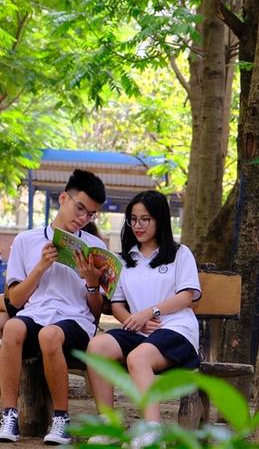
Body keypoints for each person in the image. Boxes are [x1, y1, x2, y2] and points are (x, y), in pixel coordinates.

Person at [0, 169, 109, 445]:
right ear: (63, 198)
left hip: (76, 323)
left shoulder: (95, 247)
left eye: (90, 215)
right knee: (12, 327)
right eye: (80, 208)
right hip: (35, 314)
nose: (83, 218)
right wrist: (41, 267)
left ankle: (61, 419)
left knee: (50, 335)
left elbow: (95, 313)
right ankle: (9, 416)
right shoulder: (26, 240)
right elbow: (16, 301)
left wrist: (92, 283)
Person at [86, 190, 201, 447]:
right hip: (141, 333)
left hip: (177, 330)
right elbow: (117, 305)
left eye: (145, 219)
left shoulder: (180, 254)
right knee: (96, 347)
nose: (138, 225)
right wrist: (133, 320)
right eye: (133, 219)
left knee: (137, 358)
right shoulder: (124, 261)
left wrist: (149, 312)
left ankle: (153, 432)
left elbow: (186, 297)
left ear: (160, 219)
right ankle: (108, 425)